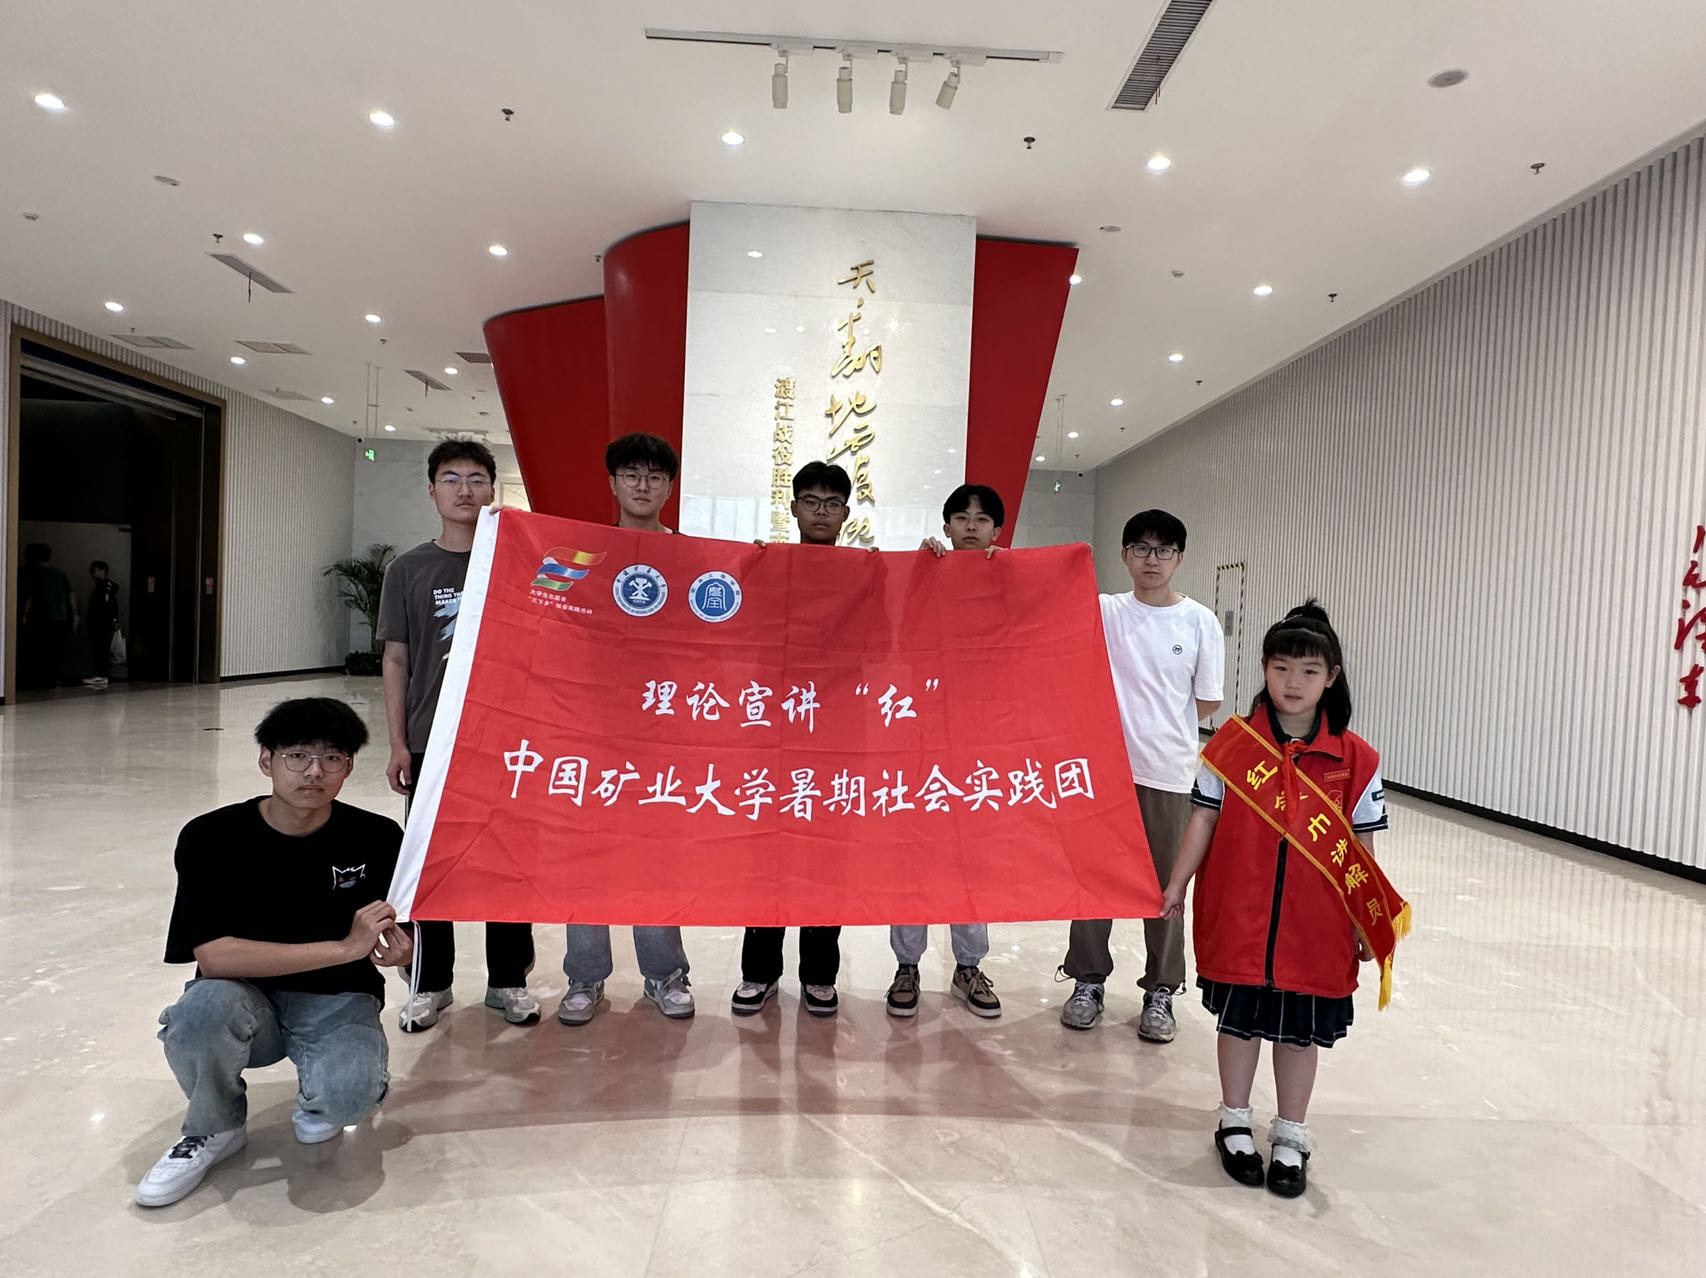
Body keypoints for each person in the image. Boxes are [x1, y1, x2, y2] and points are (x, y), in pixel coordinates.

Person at [136, 698, 410, 1208]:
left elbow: (404, 931)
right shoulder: (211, 837)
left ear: (349, 766)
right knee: (199, 1013)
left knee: (348, 1098)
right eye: (297, 755)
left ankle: (320, 1097)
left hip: (339, 997)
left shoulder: (376, 837)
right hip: (241, 997)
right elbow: (216, 958)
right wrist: (344, 947)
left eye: (332, 758)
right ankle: (214, 1126)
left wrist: (404, 953)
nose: (314, 771)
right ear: (266, 760)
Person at [1160, 603, 1392, 1197]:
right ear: (1264, 668)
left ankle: (1290, 1132)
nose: (1293, 682)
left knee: (1298, 1033)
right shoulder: (1231, 746)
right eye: (1281, 668)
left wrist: (1368, 921)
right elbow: (1203, 819)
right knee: (1239, 1022)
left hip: (1315, 926)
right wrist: (1177, 882)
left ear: (1331, 676)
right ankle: (1234, 1121)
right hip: (1241, 911)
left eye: (1309, 671)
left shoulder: (1358, 759)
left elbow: (1361, 847)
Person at [378, 438, 538, 1031]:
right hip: (432, 741)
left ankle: (508, 980)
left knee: (506, 863)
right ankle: (431, 983)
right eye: (451, 479)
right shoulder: (408, 569)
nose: (464, 489)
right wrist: (399, 743)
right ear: (431, 490)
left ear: (493, 490)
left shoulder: (519, 563)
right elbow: (397, 659)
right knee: (432, 864)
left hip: (506, 741)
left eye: (476, 479)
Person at [1059, 509, 1223, 1040]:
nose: (1153, 559)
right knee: (1094, 881)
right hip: (1101, 774)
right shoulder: (1105, 610)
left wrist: (1156, 726)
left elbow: (1207, 701)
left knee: (1165, 885)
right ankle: (1087, 979)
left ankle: (1161, 988)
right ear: (1125, 555)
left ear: (1179, 558)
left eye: (1164, 550)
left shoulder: (1198, 621)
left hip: (1167, 773)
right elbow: (1039, 603)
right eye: (1142, 548)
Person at [558, 432, 695, 1025]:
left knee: (654, 858)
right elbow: (540, 613)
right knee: (586, 856)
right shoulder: (581, 553)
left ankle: (665, 973)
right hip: (591, 730)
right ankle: (585, 976)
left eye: (655, 477)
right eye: (632, 475)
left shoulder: (690, 557)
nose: (643, 486)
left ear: (668, 487)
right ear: (613, 483)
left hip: (663, 731)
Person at [730, 461, 853, 1018]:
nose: (821, 511)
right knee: (769, 855)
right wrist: (748, 569)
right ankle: (759, 972)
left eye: (832, 503)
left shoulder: (866, 573)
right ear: (795, 507)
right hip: (773, 732)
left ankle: (819, 975)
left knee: (825, 859)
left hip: (837, 736)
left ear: (846, 513)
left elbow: (891, 639)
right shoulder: (770, 566)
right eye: (811, 500)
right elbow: (743, 634)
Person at [887, 483, 1008, 1019]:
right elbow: (898, 634)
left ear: (996, 530)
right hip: (921, 739)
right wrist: (919, 572)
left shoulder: (1008, 579)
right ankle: (906, 964)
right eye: (961, 517)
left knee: (970, 859)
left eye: (981, 519)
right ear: (946, 526)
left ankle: (968, 966)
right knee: (915, 853)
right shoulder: (927, 572)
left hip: (981, 743)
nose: (971, 526)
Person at [19, 542, 78, 690]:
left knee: (38, 650)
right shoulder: (59, 574)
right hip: (60, 618)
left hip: (41, 618)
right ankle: (54, 678)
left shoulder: (33, 574)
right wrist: (75, 612)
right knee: (56, 651)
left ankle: (38, 679)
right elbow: (71, 593)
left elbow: (30, 596)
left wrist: (24, 614)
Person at [83, 559, 121, 688]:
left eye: (95, 570)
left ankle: (101, 674)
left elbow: (108, 605)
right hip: (103, 623)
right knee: (101, 648)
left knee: (100, 648)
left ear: (102, 571)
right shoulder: (107, 586)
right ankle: (100, 674)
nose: (92, 573)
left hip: (100, 623)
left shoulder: (103, 587)